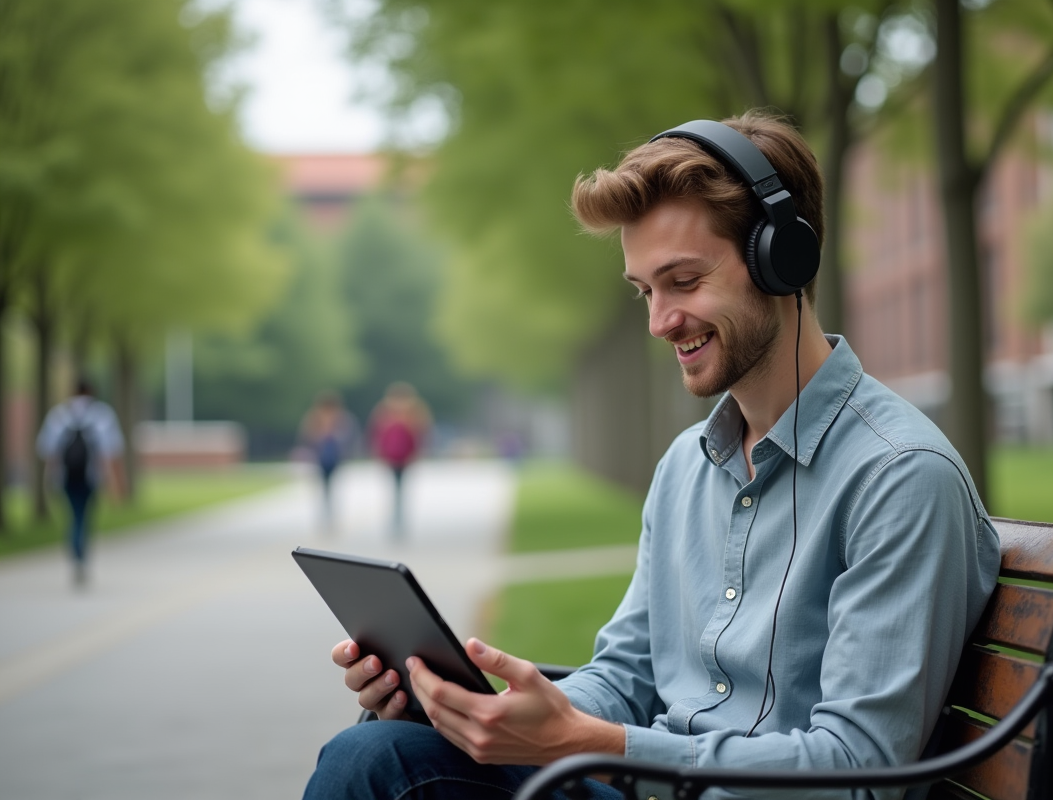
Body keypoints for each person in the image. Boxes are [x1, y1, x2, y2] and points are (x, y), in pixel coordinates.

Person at [303, 112, 1001, 800]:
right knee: (386, 747)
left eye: (684, 281)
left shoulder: (900, 477)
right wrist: (490, 714)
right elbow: (625, 677)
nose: (659, 321)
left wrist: (594, 745)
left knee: (377, 766)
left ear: (782, 259)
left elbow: (857, 769)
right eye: (644, 291)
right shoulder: (684, 469)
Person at [36, 378, 126, 587]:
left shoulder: (59, 415)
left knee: (74, 515)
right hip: (90, 476)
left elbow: (48, 450)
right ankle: (80, 555)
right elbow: (110, 451)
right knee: (84, 516)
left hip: (66, 477)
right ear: (91, 391)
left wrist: (48, 480)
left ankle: (76, 554)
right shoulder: (102, 414)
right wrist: (116, 484)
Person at [368, 382, 431, 531]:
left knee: (399, 488)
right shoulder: (387, 414)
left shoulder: (412, 414)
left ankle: (398, 519)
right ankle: (397, 519)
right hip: (393, 457)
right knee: (397, 488)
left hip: (404, 457)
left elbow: (420, 436)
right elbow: (377, 436)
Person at [298, 391, 358, 527]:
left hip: (336, 457)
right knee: (323, 487)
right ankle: (326, 515)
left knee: (333, 487)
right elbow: (306, 437)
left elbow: (349, 437)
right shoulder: (314, 419)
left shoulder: (342, 419)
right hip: (319, 458)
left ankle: (330, 515)